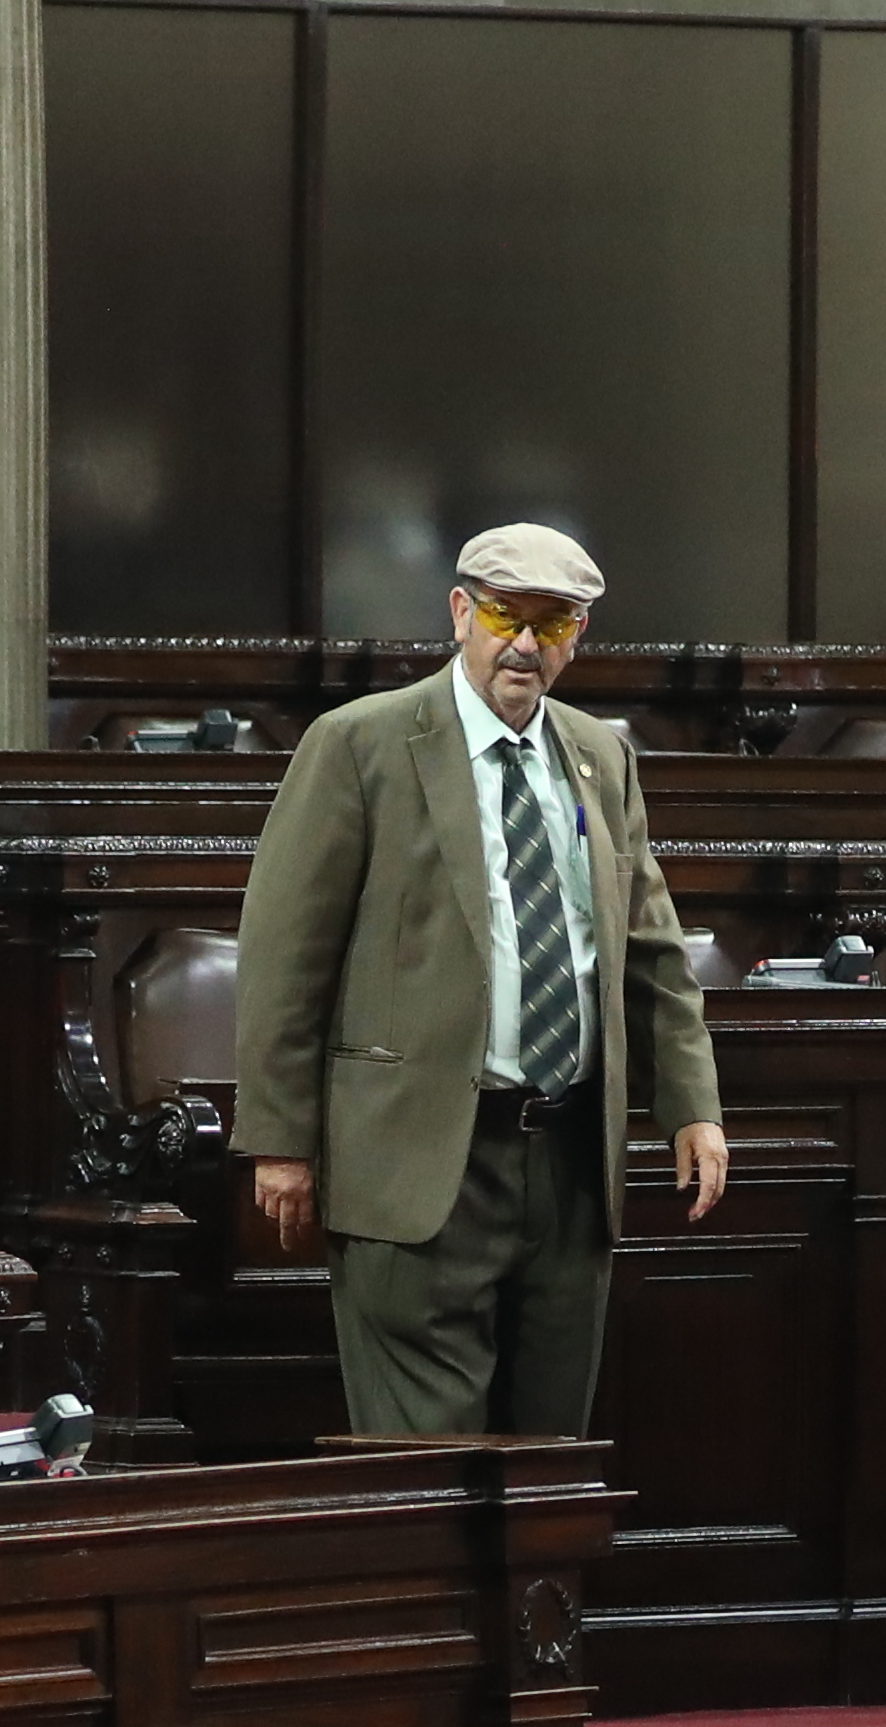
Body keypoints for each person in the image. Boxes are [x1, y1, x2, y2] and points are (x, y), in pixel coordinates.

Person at [227, 523, 728, 1436]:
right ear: (461, 613)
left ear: (579, 635)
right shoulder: (361, 746)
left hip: (571, 1162)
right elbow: (284, 953)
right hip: (416, 1158)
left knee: (548, 1463)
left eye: (555, 623)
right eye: (507, 616)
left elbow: (649, 945)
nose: (527, 645)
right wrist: (280, 1141)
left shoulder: (600, 757)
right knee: (425, 1474)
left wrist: (693, 1104)